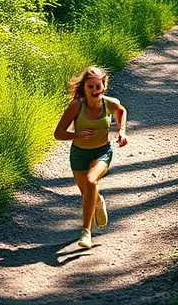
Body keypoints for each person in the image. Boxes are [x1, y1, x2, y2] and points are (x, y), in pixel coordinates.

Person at [53, 65, 128, 249]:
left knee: (91, 181)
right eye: (90, 87)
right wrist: (76, 135)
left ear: (103, 86)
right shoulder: (77, 106)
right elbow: (58, 133)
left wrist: (122, 131)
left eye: (98, 86)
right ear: (84, 88)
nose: (95, 90)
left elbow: (121, 111)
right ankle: (99, 201)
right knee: (88, 193)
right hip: (79, 155)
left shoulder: (109, 103)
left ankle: (86, 233)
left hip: (102, 152)